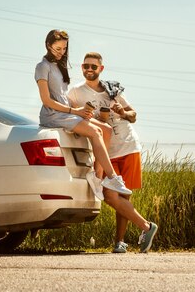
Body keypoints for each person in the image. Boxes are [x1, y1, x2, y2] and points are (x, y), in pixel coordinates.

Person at [67, 51, 158, 253]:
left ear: (101, 69)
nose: (89, 70)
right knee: (110, 196)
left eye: (93, 66)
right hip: (105, 151)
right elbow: (71, 116)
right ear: (82, 68)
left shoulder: (112, 90)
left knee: (123, 198)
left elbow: (133, 115)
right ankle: (146, 226)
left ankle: (119, 243)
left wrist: (122, 112)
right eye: (85, 66)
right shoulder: (75, 92)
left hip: (128, 145)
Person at [34, 29, 132, 197]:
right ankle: (112, 177)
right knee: (95, 132)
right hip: (53, 115)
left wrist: (82, 111)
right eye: (58, 48)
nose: (61, 52)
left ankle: (97, 177)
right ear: (48, 45)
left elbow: (62, 96)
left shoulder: (59, 65)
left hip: (66, 113)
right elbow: (46, 100)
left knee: (106, 130)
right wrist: (75, 111)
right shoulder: (42, 67)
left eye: (64, 48)